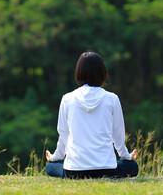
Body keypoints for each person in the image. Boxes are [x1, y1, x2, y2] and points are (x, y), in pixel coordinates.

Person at [45, 51, 138, 179]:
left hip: (75, 171)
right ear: (102, 73)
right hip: (107, 170)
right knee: (132, 166)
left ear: (78, 73)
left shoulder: (67, 99)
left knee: (50, 167)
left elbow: (64, 135)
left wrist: (55, 157)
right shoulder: (112, 99)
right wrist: (127, 156)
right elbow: (118, 135)